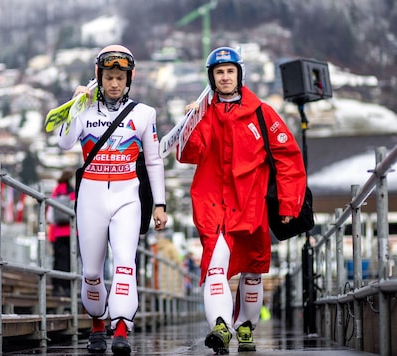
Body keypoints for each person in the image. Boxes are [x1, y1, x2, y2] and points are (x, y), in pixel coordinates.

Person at [177, 47, 307, 354]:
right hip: (213, 206)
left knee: (252, 270)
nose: (224, 77)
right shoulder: (203, 113)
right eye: (219, 72)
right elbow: (186, 154)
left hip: (251, 206)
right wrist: (190, 122)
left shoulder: (262, 112)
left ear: (239, 74)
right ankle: (221, 327)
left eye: (229, 71)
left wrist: (289, 205)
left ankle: (246, 328)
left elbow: (289, 158)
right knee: (215, 266)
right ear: (211, 77)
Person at [57, 44, 168, 355]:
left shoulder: (144, 114)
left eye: (120, 77)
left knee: (124, 264)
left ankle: (120, 328)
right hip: (91, 196)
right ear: (99, 77)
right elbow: (65, 142)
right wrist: (75, 104)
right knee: (92, 273)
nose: (115, 83)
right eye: (109, 77)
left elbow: (154, 161)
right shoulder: (85, 110)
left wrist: (160, 204)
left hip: (127, 197)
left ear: (128, 79)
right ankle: (96, 326)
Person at [46, 169, 75, 297]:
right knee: (70, 260)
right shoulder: (72, 191)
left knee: (57, 259)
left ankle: (56, 286)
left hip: (57, 232)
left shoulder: (56, 191)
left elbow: (50, 214)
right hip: (71, 232)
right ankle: (68, 287)